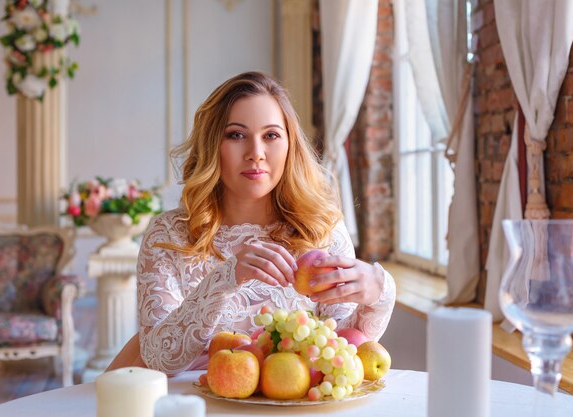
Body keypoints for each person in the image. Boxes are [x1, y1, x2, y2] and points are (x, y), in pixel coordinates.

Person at [110, 71, 395, 375]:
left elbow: (337, 351)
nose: (256, 154)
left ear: (290, 145)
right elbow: (158, 358)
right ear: (213, 145)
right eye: (236, 135)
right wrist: (226, 278)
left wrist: (380, 293)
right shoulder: (168, 235)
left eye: (271, 135)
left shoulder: (322, 230)